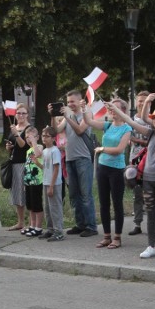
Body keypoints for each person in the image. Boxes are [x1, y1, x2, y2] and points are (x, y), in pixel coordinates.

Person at [110, 95, 155, 260]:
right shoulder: (150, 134)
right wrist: (116, 109)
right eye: (154, 118)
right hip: (148, 180)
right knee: (151, 213)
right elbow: (132, 121)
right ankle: (151, 246)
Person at [85, 98, 132, 248]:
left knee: (117, 203)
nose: (111, 111)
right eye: (110, 108)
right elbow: (89, 122)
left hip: (116, 170)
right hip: (102, 167)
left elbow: (119, 150)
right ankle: (106, 236)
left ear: (122, 111)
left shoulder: (127, 129)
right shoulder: (107, 125)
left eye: (114, 108)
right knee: (104, 203)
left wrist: (102, 149)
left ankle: (117, 237)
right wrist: (85, 108)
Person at [50, 90, 97, 238]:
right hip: (69, 159)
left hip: (83, 158)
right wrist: (53, 116)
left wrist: (67, 116)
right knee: (74, 194)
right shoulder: (67, 116)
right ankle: (80, 224)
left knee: (85, 194)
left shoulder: (86, 115)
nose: (70, 104)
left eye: (72, 102)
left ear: (79, 101)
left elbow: (79, 130)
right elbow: (55, 131)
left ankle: (91, 226)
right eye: (68, 102)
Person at [127, 92, 150, 236]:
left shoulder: (152, 120)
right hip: (135, 160)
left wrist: (139, 141)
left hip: (150, 162)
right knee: (137, 194)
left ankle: (151, 224)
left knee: (150, 194)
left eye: (144, 101)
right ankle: (137, 224)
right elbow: (127, 138)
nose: (141, 103)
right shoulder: (131, 120)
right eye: (139, 101)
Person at [5, 103, 30, 231]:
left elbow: (23, 145)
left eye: (23, 113)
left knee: (26, 193)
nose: (20, 115)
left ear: (27, 115)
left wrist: (16, 134)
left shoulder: (29, 129)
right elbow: (14, 145)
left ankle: (31, 223)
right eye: (18, 113)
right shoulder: (15, 128)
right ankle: (20, 222)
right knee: (16, 193)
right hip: (14, 163)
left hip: (25, 164)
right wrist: (8, 147)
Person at [39, 126, 64, 242]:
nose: (44, 138)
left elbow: (56, 168)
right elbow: (46, 168)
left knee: (55, 207)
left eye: (47, 136)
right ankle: (50, 229)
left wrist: (52, 186)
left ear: (53, 138)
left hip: (54, 183)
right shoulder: (44, 151)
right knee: (47, 207)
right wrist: (36, 163)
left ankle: (58, 231)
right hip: (46, 181)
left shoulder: (55, 151)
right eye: (43, 136)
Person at [21, 126, 44, 236]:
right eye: (27, 137)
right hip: (28, 181)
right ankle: (32, 225)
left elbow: (38, 154)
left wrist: (34, 141)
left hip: (37, 181)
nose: (29, 139)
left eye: (31, 137)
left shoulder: (39, 146)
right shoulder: (28, 150)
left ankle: (38, 227)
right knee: (30, 205)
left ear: (37, 137)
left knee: (37, 205)